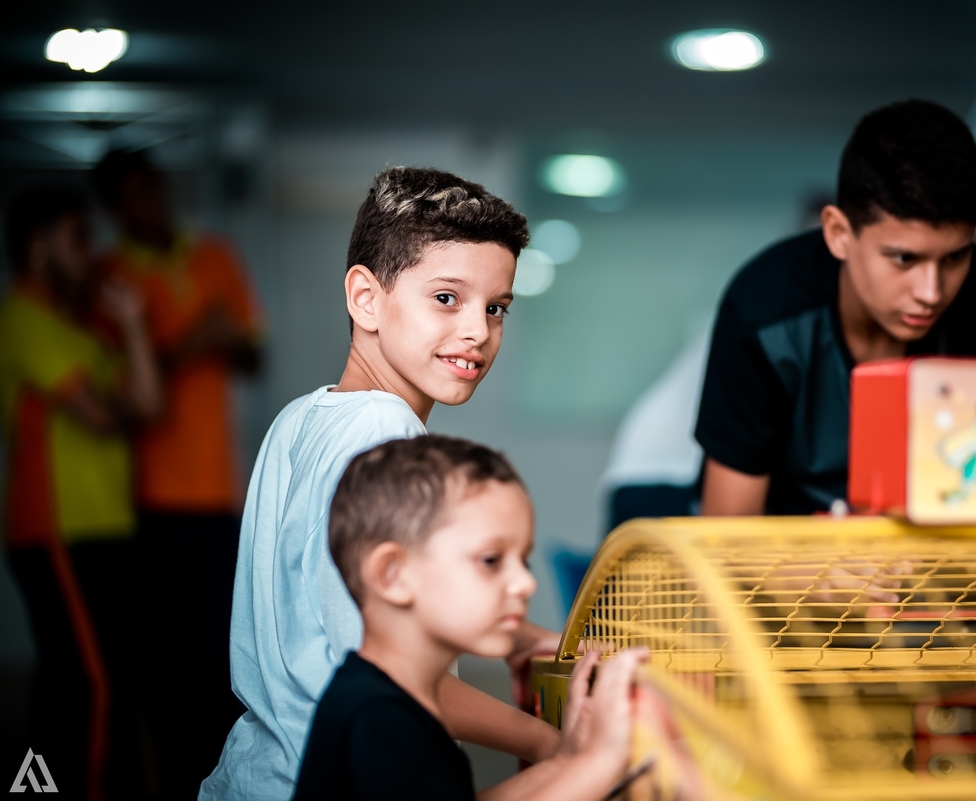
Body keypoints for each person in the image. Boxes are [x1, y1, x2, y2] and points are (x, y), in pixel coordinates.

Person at [201, 167, 562, 800]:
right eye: (446, 298)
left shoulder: (301, 418)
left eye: (495, 307)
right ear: (366, 298)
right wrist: (549, 743)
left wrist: (521, 637)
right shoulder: (384, 430)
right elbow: (389, 671)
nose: (478, 331)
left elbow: (325, 610)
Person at [696, 100, 976, 516]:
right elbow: (727, 529)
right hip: (786, 548)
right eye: (904, 259)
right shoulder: (763, 313)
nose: (931, 292)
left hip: (944, 550)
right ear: (839, 234)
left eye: (955, 257)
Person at [294, 435, 645, 801]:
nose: (526, 583)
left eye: (523, 561)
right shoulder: (379, 719)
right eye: (491, 560)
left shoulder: (387, 698)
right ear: (392, 575)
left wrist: (566, 763)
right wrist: (600, 762)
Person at [90, 149, 262, 797]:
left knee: (221, 657)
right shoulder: (108, 277)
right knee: (161, 663)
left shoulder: (215, 256)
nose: (148, 204)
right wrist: (197, 339)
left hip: (217, 491)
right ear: (113, 208)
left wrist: (217, 340)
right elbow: (127, 390)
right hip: (144, 497)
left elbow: (251, 355)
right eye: (131, 195)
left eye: (152, 189)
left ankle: (217, 786)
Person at [1, 186, 162, 798]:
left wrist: (134, 326)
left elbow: (148, 404)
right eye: (77, 239)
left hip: (106, 527)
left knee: (85, 679)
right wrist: (121, 407)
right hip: (55, 530)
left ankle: (36, 789)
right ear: (37, 248)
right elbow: (100, 415)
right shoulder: (22, 317)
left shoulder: (85, 332)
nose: (92, 252)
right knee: (89, 683)